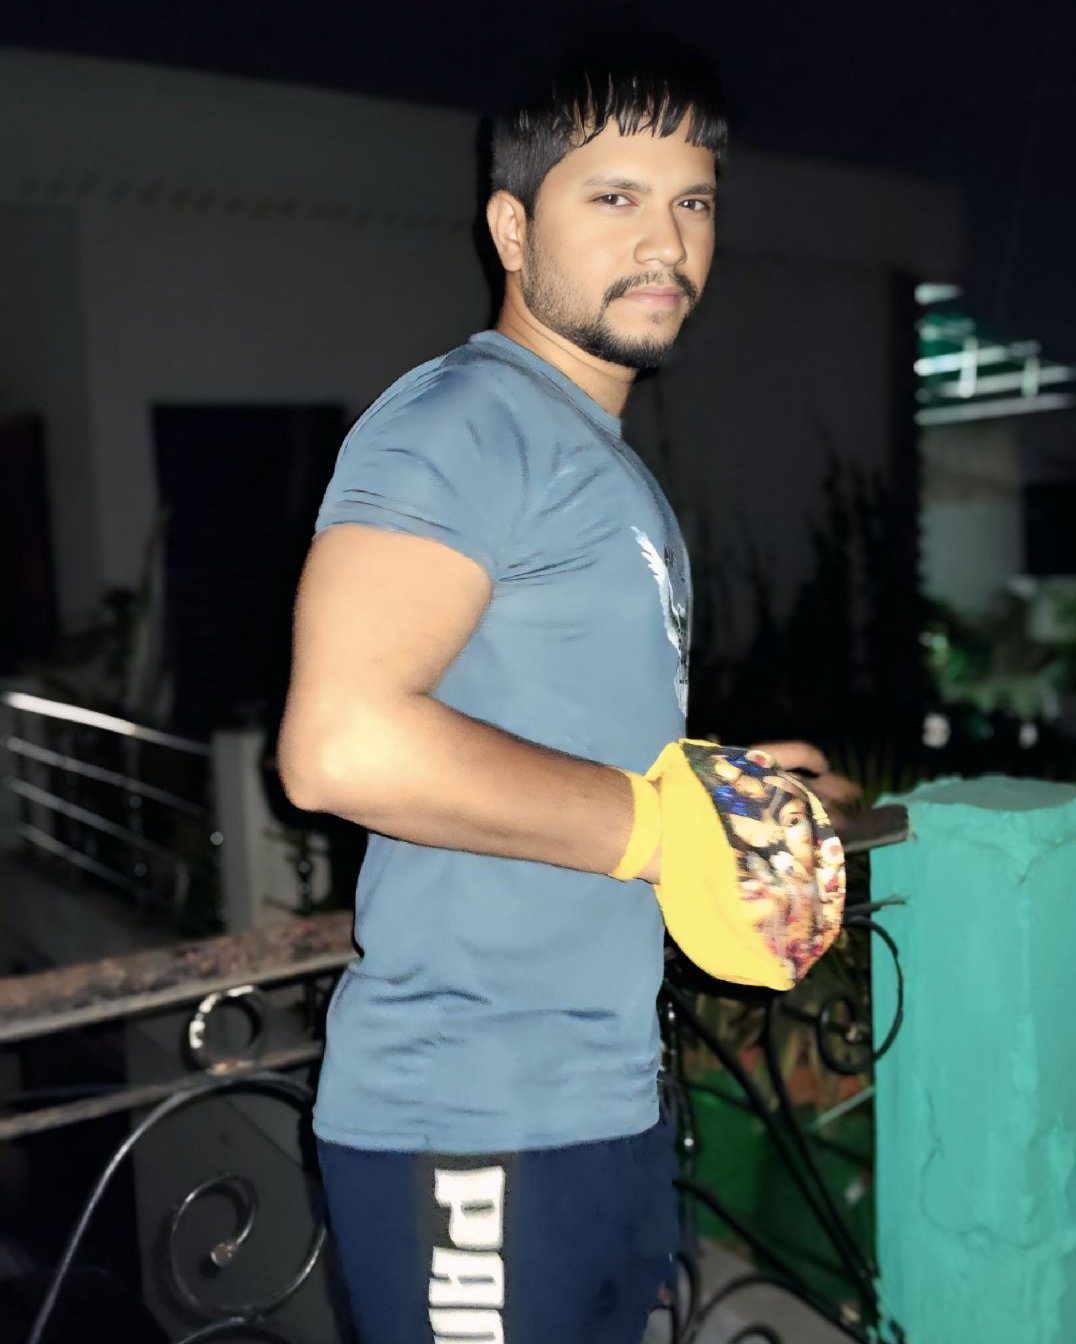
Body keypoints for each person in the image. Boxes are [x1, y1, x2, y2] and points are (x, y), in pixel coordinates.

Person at [278, 51, 854, 1344]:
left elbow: (553, 731)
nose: (666, 243)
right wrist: (662, 831)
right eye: (615, 198)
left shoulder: (599, 460)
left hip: (603, 1103)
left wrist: (717, 790)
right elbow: (341, 743)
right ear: (511, 226)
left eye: (693, 203)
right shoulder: (461, 422)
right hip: (469, 1118)